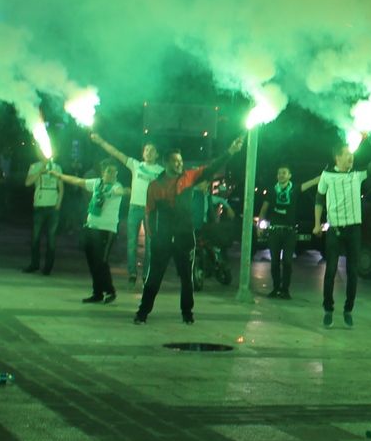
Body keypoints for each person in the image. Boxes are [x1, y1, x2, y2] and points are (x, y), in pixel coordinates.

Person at [302, 137, 371, 329]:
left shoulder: (357, 174)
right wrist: (316, 224)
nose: (351, 159)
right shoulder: (327, 175)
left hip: (354, 229)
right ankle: (328, 309)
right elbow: (319, 200)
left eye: (352, 156)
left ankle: (348, 310)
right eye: (347, 156)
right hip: (335, 230)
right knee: (330, 271)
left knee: (353, 272)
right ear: (337, 157)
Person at [136, 138, 243, 325]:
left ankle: (187, 314)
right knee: (154, 277)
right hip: (162, 238)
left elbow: (211, 168)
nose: (179, 164)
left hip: (184, 237)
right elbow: (150, 213)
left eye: (180, 160)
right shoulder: (154, 185)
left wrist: (230, 151)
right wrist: (153, 236)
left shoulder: (189, 177)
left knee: (187, 278)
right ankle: (142, 313)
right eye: (175, 161)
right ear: (166, 163)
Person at [90, 132, 164, 287]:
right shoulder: (136, 165)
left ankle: (146, 275)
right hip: (134, 208)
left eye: (151, 150)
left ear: (157, 154)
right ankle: (132, 273)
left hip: (151, 210)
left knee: (151, 246)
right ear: (143, 153)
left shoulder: (161, 171)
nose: (148, 152)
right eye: (146, 150)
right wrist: (101, 141)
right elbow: (117, 153)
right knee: (131, 244)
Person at [58, 162, 126, 304]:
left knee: (101, 261)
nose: (113, 175)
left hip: (107, 230)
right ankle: (97, 293)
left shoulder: (116, 187)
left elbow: (124, 191)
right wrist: (58, 175)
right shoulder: (96, 183)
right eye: (109, 171)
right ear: (102, 173)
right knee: (92, 262)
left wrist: (123, 191)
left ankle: (110, 291)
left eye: (115, 173)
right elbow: (77, 181)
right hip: (91, 227)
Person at [255, 164, 303, 299]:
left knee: (287, 261)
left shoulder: (294, 190)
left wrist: (324, 176)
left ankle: (285, 290)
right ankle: (276, 288)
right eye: (279, 173)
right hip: (275, 231)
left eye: (284, 173)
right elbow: (264, 209)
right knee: (274, 261)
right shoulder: (272, 190)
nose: (281, 175)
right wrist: (259, 226)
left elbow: (309, 184)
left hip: (289, 232)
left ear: (289, 175)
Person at [24, 153, 64, 274]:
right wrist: (41, 170)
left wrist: (58, 204)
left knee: (51, 238)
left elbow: (61, 187)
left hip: (53, 207)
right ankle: (34, 264)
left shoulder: (57, 167)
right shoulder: (34, 166)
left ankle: (48, 267)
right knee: (35, 237)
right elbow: (27, 183)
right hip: (39, 206)